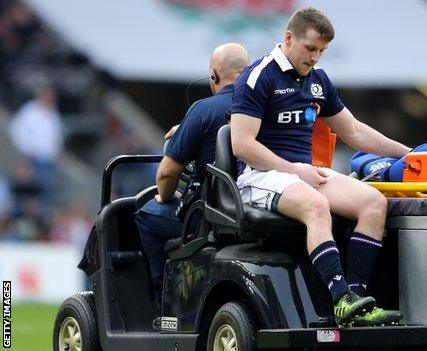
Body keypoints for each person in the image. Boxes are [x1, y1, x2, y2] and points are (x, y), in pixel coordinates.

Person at [230, 7, 409, 326]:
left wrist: (409, 153)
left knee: (373, 203)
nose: (315, 58)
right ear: (288, 38)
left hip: (303, 172)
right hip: (261, 176)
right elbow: (243, 145)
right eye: (311, 48)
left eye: (322, 51)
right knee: (316, 204)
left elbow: (353, 131)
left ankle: (355, 300)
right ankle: (340, 297)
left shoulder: (318, 80)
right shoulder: (259, 75)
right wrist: (296, 170)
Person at [134, 43, 250, 303]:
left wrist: (165, 197)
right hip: (254, 210)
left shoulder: (202, 109)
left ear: (214, 76)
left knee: (147, 214)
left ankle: (161, 300)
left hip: (209, 218)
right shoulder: (264, 109)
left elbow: (166, 174)